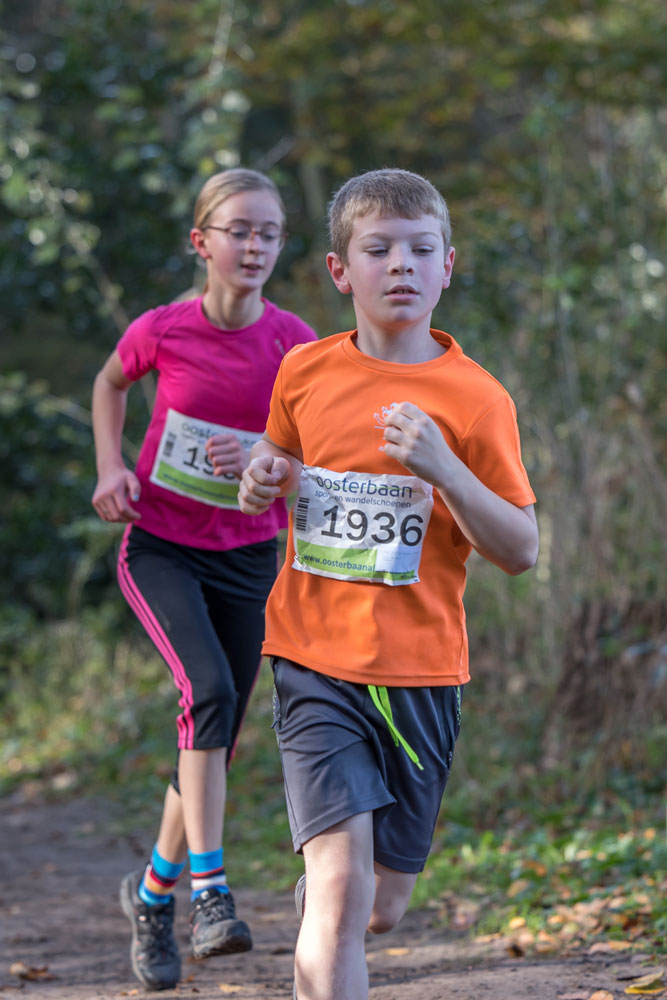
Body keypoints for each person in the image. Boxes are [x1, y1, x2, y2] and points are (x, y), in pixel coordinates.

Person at [238, 167, 539, 1000]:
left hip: (420, 670)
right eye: (378, 249)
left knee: (378, 907)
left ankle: (326, 907)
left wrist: (444, 469)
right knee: (340, 887)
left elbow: (520, 549)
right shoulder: (303, 370)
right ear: (341, 271)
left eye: (419, 248)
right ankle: (326, 905)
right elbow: (277, 455)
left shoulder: (476, 399)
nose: (400, 264)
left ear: (447, 266)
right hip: (312, 658)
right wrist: (262, 475)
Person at [91, 168, 317, 991]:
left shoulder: (294, 343)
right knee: (209, 692)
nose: (254, 246)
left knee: (213, 726)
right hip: (162, 546)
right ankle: (210, 893)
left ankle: (152, 894)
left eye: (269, 233)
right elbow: (110, 383)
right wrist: (110, 466)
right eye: (238, 231)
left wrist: (264, 455)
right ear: (202, 242)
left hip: (251, 554)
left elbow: (316, 447)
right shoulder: (163, 329)